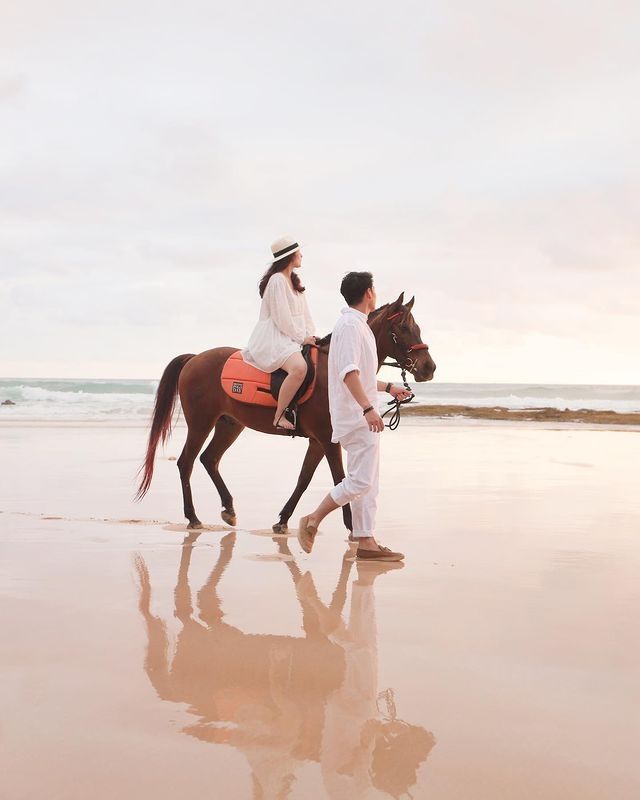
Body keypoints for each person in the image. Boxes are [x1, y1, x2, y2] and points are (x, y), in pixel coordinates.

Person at [298, 271, 411, 561]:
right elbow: (348, 372)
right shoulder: (350, 325)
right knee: (361, 481)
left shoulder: (356, 325)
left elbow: (359, 375)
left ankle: (366, 540)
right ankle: (313, 518)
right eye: (374, 288)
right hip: (356, 416)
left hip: (360, 415)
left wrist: (389, 388)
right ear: (368, 293)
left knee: (368, 482)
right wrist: (368, 408)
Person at [242, 236, 316, 430]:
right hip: (276, 338)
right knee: (299, 368)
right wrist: (302, 337)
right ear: (291, 256)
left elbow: (306, 316)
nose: (302, 254)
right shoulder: (277, 281)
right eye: (299, 251)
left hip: (294, 336)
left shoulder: (295, 282)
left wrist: (311, 335)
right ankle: (279, 415)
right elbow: (282, 319)